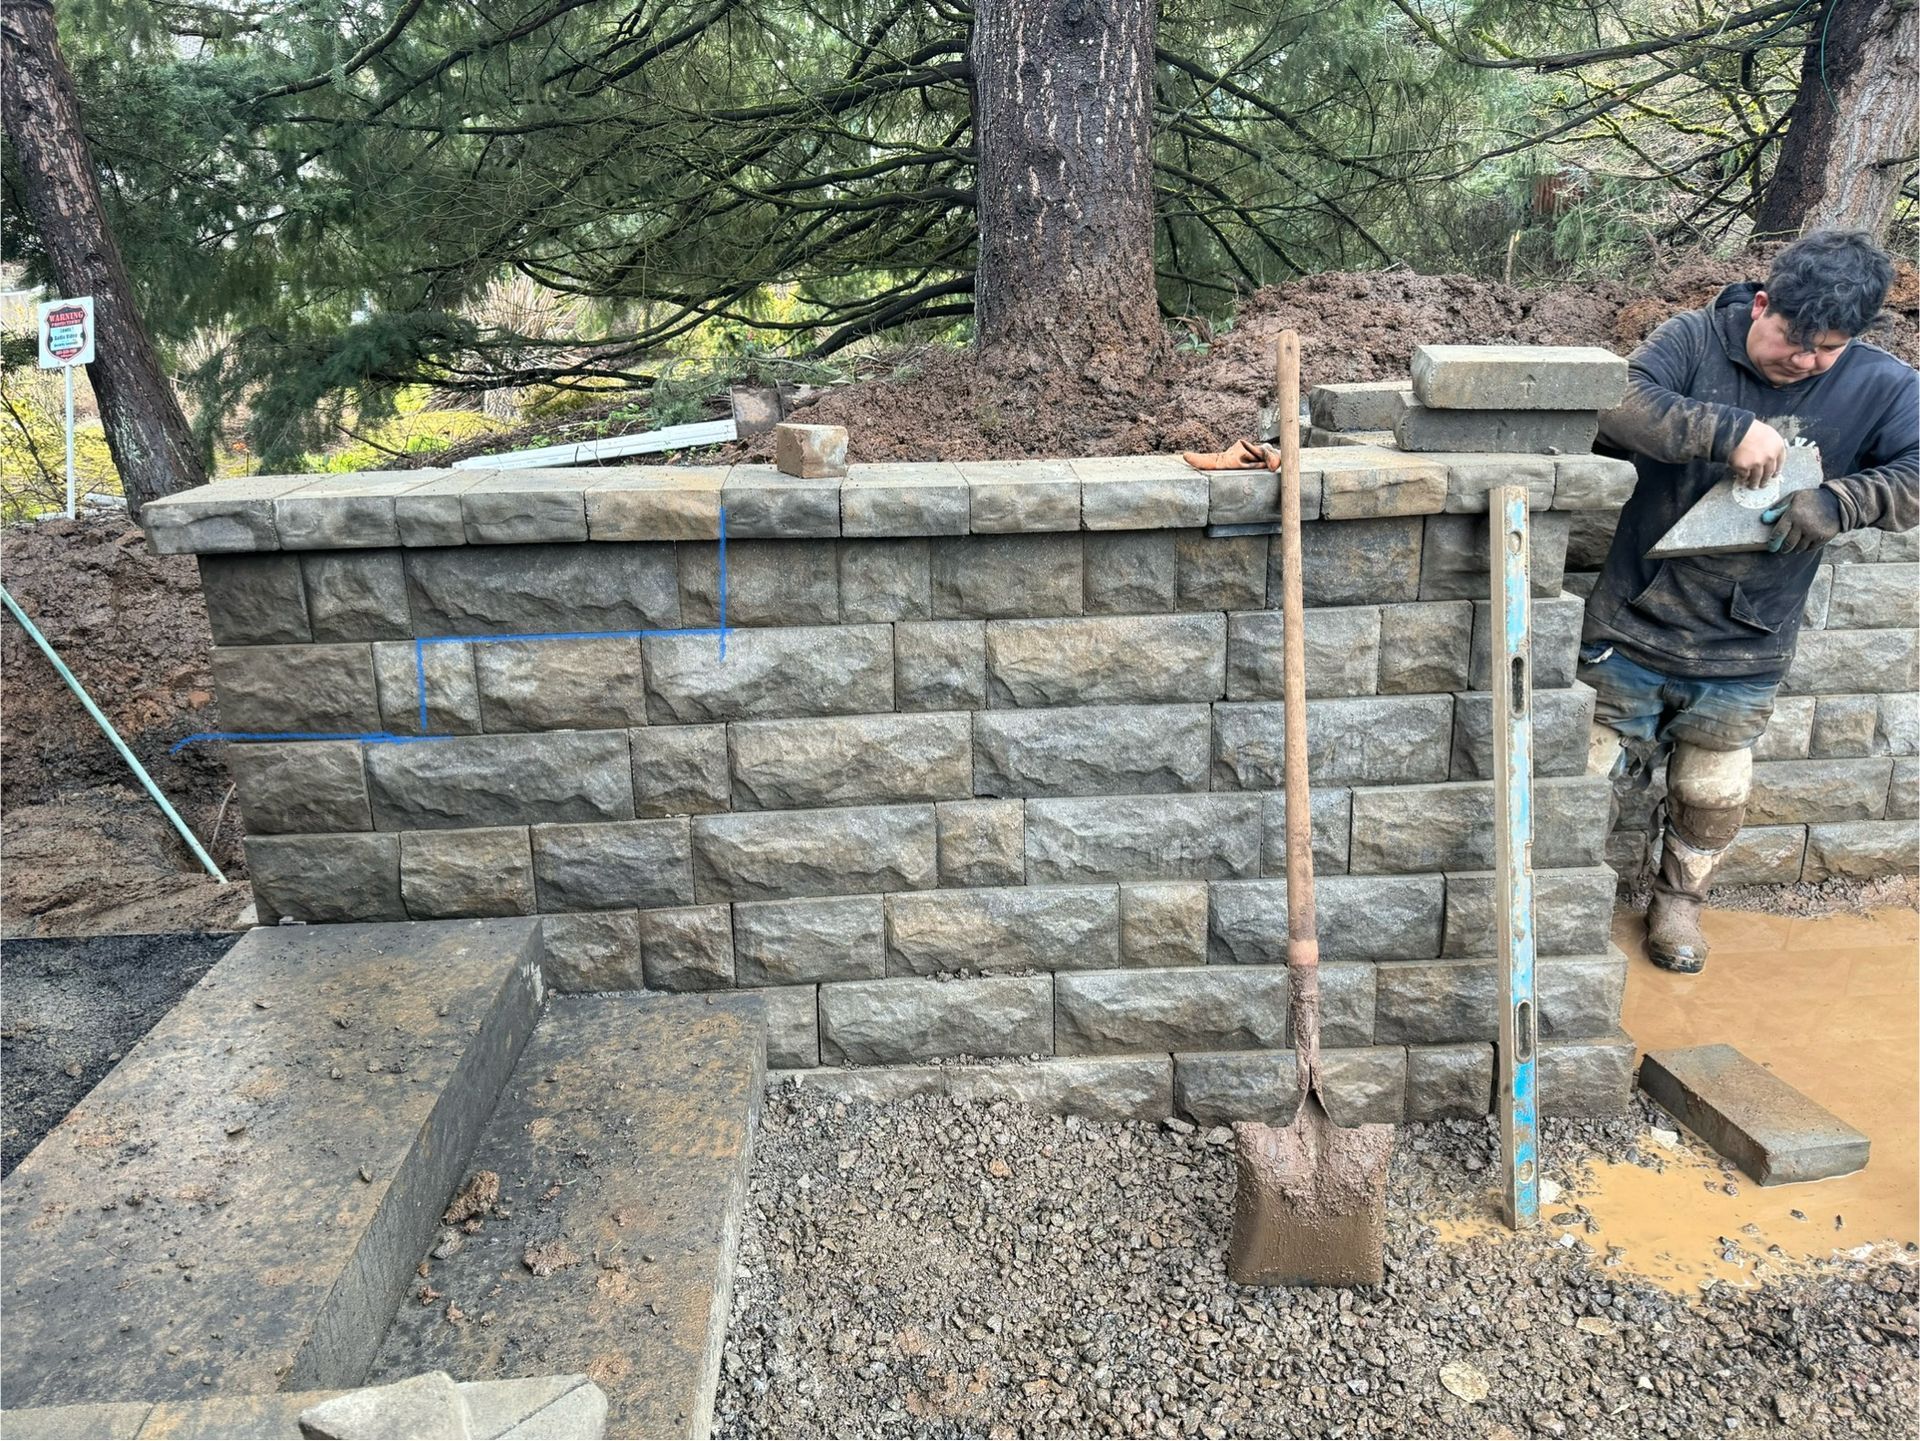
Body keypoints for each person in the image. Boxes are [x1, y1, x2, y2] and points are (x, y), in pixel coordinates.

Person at [1581, 229, 1918, 973]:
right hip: (1636, 613)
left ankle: (1679, 903)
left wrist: (1843, 500)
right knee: (1587, 770)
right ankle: (1570, 901)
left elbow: (1916, 472)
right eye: (1793, 338)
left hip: (1749, 634)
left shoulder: (1883, 386)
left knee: (1712, 785)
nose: (1804, 360)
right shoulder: (1695, 338)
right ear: (1762, 304)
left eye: (1826, 349)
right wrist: (1727, 429)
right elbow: (1617, 404)